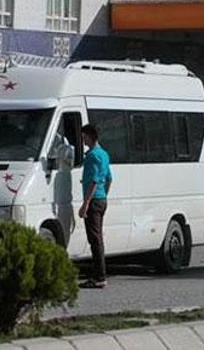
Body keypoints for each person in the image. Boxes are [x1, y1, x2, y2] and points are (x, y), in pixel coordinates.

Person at [78, 124, 113, 289]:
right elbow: (109, 178)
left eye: (84, 137)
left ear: (91, 136)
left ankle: (100, 277)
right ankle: (100, 274)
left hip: (93, 201)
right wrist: (103, 194)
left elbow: (93, 181)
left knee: (95, 240)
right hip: (101, 199)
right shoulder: (104, 154)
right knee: (98, 238)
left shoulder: (92, 156)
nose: (83, 140)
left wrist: (85, 203)